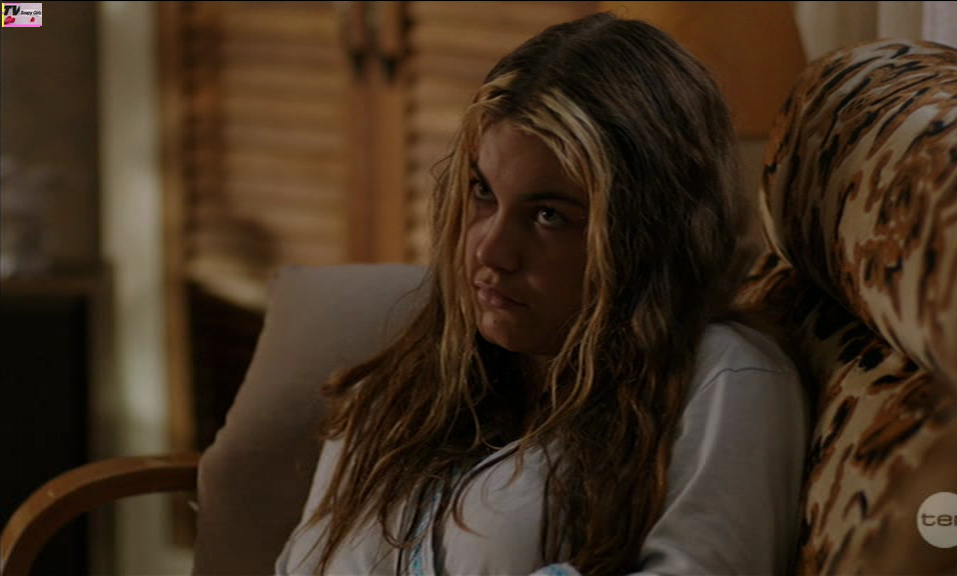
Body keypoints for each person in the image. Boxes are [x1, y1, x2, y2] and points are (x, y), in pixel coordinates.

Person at [276, 12, 807, 575]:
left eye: (549, 215)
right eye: (483, 192)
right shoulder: (396, 395)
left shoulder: (725, 379)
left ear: (643, 234)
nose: (491, 251)